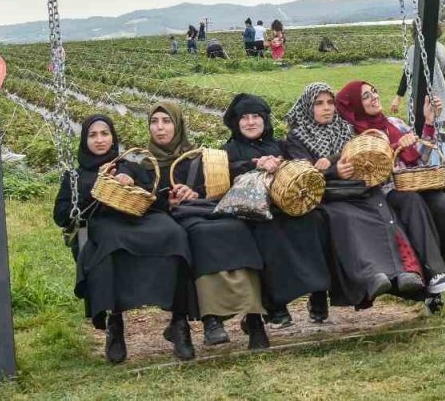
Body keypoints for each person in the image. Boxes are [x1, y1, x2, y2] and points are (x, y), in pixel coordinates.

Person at [282, 83, 445, 307]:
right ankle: (373, 275)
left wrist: (424, 127)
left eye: (330, 102)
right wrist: (333, 171)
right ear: (307, 107)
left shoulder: (346, 129)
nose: (326, 108)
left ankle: (407, 272)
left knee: (385, 214)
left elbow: (367, 158)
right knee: (348, 218)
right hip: (330, 195)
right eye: (319, 103)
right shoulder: (297, 137)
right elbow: (301, 172)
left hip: (361, 189)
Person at [52, 115, 197, 363]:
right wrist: (97, 186)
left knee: (175, 235)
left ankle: (179, 321)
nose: (100, 140)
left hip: (141, 218)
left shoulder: (130, 165)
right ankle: (115, 324)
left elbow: (152, 199)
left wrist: (145, 189)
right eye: (93, 135)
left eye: (105, 134)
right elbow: (61, 215)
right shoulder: (75, 176)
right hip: (106, 224)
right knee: (111, 245)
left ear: (113, 138)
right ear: (84, 140)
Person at [146, 101, 270, 350]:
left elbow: (217, 183)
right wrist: (167, 201)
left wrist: (194, 193)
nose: (160, 128)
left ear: (178, 125)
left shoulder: (196, 157)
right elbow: (142, 200)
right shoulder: (143, 163)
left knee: (237, 229)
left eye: (166, 121)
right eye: (154, 122)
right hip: (176, 220)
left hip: (203, 209)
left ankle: (254, 317)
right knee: (200, 235)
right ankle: (211, 319)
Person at [338, 80, 445, 312]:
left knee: (443, 208)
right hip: (386, 194)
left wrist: (429, 124)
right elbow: (371, 176)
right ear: (354, 105)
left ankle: (440, 280)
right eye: (365, 96)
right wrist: (396, 147)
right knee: (409, 200)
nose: (374, 97)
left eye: (374, 91)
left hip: (415, 183)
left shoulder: (394, 123)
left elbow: (420, 157)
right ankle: (433, 273)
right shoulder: (356, 137)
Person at [222, 93, 332, 326]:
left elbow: (299, 166)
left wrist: (283, 165)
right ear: (236, 122)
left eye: (255, 116)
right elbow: (226, 174)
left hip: (288, 206)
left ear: (265, 119)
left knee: (316, 220)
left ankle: (318, 292)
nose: (250, 122)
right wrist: (255, 165)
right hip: (254, 213)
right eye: (244, 118)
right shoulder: (229, 150)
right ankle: (276, 305)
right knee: (268, 233)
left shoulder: (280, 145)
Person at [391, 26, 445, 132]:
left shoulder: (436, 49)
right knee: (430, 128)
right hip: (424, 96)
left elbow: (444, 74)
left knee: (430, 127)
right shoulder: (418, 49)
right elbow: (407, 74)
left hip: (429, 96)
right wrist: (398, 97)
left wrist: (398, 97)